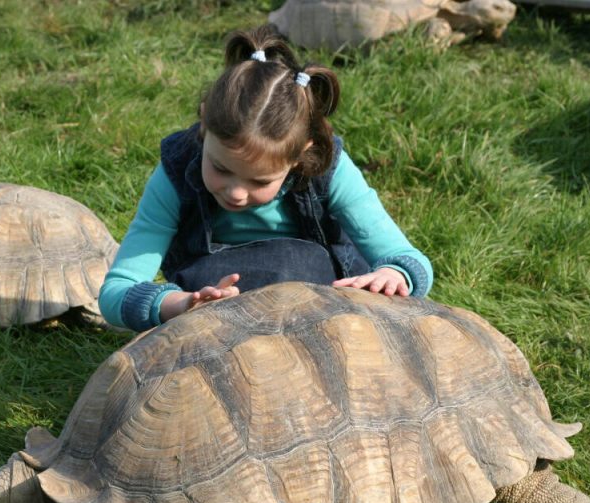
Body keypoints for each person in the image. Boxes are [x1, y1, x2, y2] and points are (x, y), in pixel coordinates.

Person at [99, 25, 433, 332]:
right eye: (221, 168)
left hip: (326, 317)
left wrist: (392, 276)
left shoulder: (331, 172)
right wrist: (180, 304)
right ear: (204, 123)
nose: (237, 193)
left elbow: (410, 261)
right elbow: (117, 292)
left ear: (301, 154)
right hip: (219, 326)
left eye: (260, 182)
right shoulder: (175, 173)